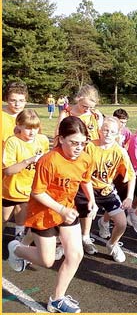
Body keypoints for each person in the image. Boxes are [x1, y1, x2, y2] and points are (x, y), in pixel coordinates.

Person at [7, 116, 98, 313]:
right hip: (44, 213)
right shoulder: (49, 161)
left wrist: (91, 199)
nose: (78, 148)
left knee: (75, 255)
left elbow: (85, 179)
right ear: (61, 139)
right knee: (47, 261)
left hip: (67, 211)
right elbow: (37, 193)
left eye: (82, 143)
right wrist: (62, 210)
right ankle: (16, 249)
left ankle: (57, 300)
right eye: (73, 143)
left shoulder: (85, 158)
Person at [75, 117, 136, 261]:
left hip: (106, 190)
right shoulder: (89, 147)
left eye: (112, 131)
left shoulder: (120, 152)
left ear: (118, 134)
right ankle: (85, 238)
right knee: (86, 213)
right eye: (105, 130)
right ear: (99, 131)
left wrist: (130, 197)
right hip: (86, 187)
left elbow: (131, 175)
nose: (108, 134)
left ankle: (112, 244)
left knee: (122, 223)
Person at [2, 109, 50, 242]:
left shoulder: (43, 140)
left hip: (30, 188)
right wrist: (29, 160)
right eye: (28, 128)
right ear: (19, 125)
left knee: (22, 215)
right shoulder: (12, 142)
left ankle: (19, 237)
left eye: (35, 128)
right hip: (11, 189)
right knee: (4, 218)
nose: (32, 132)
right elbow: (8, 170)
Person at [2, 81, 28, 145]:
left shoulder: (29, 117)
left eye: (21, 101)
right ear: (7, 100)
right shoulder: (2, 116)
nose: (17, 104)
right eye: (13, 100)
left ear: (26, 101)